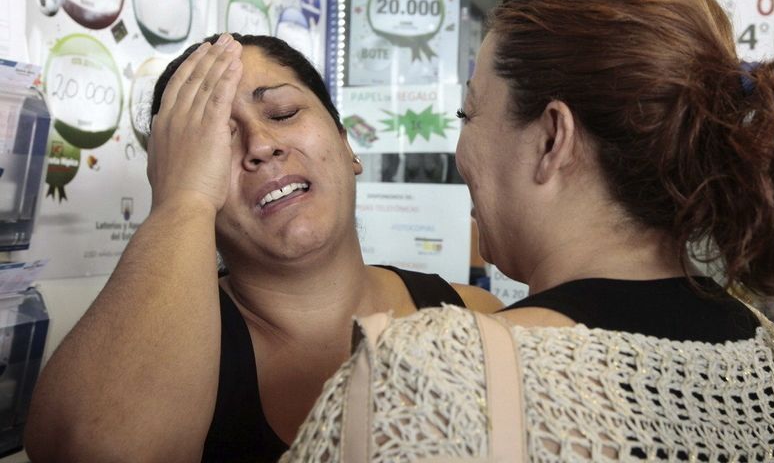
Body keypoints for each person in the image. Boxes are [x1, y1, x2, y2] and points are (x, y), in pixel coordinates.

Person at [284, 0, 774, 462]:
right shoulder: (762, 359)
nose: (461, 148)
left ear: (554, 139)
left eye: (470, 112)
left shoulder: (435, 374)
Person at [24, 33, 501, 462]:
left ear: (345, 142)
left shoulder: (478, 317)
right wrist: (183, 202)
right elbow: (96, 447)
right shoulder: (159, 351)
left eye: (283, 113)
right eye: (218, 141)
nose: (261, 144)